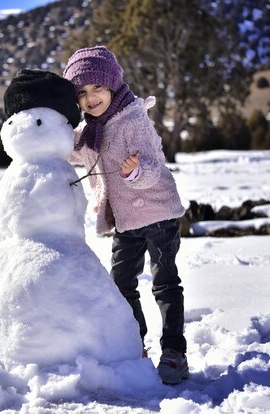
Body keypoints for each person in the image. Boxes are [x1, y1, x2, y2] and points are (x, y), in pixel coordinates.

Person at [63, 45, 189, 385]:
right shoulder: (91, 130)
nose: (91, 99)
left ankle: (175, 353)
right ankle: (136, 346)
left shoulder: (133, 119)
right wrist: (48, 136)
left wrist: (137, 171)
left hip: (159, 214)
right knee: (121, 285)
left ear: (113, 85)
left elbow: (154, 162)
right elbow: (72, 148)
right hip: (125, 221)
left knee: (164, 283)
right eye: (82, 93)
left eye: (97, 88)